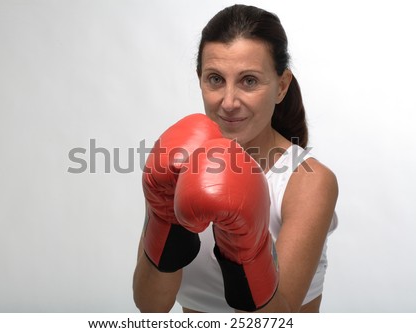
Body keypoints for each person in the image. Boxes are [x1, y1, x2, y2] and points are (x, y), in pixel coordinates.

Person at [132, 4, 338, 313]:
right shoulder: (178, 163)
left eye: (249, 81)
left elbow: (277, 321)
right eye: (215, 79)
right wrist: (166, 222)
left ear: (281, 86)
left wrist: (245, 250)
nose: (228, 102)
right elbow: (151, 306)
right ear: (200, 79)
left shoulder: (307, 182)